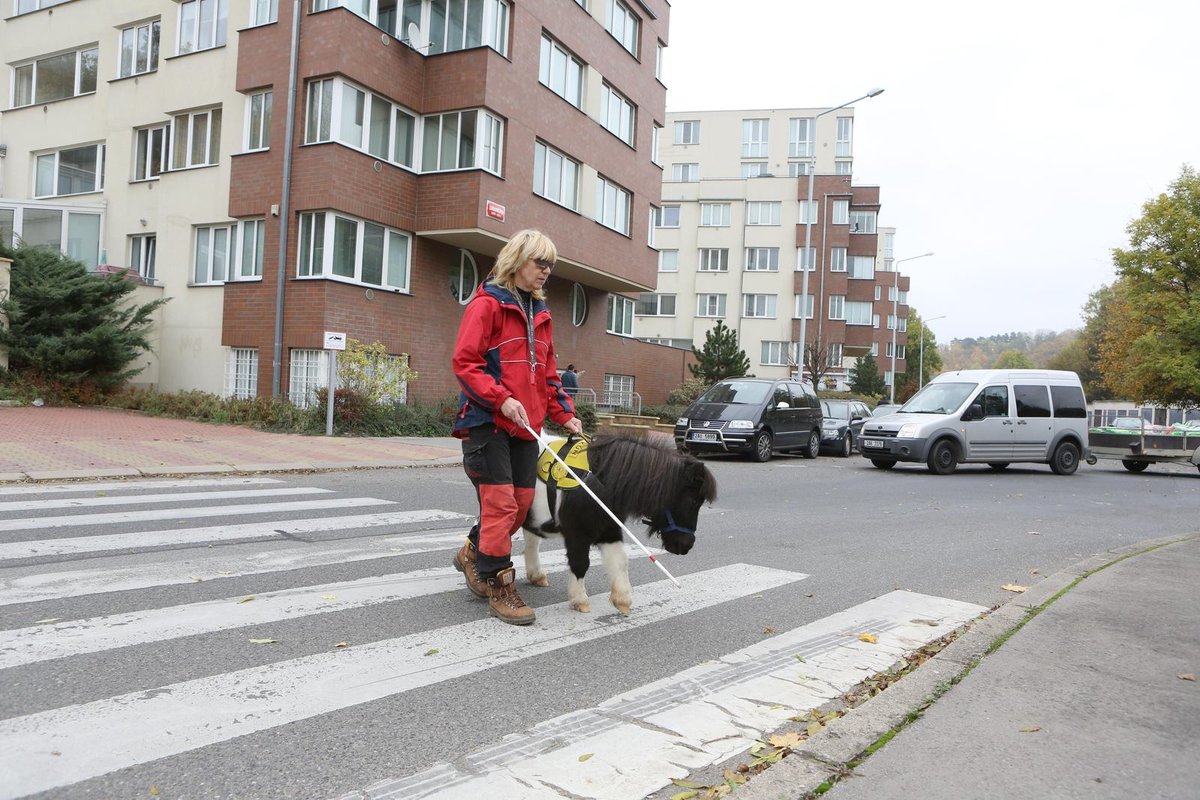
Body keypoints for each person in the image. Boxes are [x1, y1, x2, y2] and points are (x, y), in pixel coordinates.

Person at [451, 229, 583, 625]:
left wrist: (565, 414)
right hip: (486, 422)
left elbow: (549, 374)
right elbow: (465, 363)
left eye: (551, 265)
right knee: (501, 504)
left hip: (526, 428)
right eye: (540, 262)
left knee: (521, 504)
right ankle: (499, 583)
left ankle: (473, 551)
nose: (547, 271)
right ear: (517, 260)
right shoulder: (487, 305)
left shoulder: (540, 314)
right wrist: (501, 398)